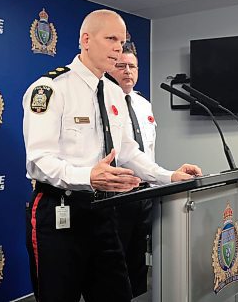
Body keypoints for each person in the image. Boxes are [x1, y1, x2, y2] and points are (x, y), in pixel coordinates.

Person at [22, 9, 202, 302]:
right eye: (111, 39)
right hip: (59, 212)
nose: (119, 47)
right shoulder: (50, 89)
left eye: (122, 41)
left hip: (104, 212)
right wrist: (88, 176)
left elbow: (128, 151)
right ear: (86, 40)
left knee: (116, 294)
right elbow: (38, 160)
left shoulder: (115, 92)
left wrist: (168, 176)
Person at [106, 47, 155, 298]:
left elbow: (147, 152)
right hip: (116, 197)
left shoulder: (144, 104)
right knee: (116, 265)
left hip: (143, 195)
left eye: (132, 67)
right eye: (121, 66)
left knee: (138, 260)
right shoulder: (102, 101)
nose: (127, 72)